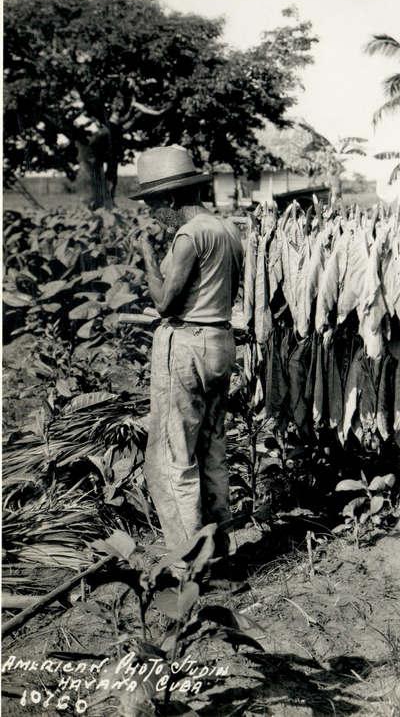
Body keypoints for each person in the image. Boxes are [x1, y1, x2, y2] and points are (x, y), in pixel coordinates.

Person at [131, 146, 245, 557]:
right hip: (221, 343)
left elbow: (166, 303)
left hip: (186, 347)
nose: (153, 212)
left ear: (171, 197)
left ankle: (190, 565)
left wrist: (147, 254)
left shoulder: (188, 235)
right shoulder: (227, 229)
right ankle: (221, 552)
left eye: (154, 203)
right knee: (212, 450)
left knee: (171, 458)